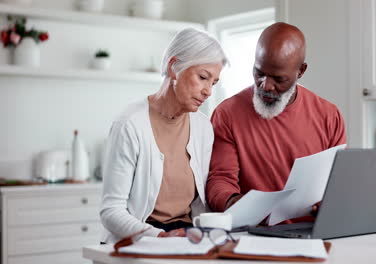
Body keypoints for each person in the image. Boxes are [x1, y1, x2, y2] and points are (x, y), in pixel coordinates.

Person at [206, 22, 346, 221]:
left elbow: (337, 183)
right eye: (259, 73)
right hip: (253, 232)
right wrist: (233, 204)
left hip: (311, 233)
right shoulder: (227, 113)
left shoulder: (329, 116)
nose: (266, 86)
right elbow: (220, 178)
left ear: (301, 71)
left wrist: (332, 203)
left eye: (279, 79)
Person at [100, 28, 228, 244]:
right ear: (174, 67)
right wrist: (159, 236)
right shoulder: (130, 124)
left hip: (186, 239)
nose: (208, 91)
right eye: (203, 77)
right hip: (138, 240)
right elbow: (111, 211)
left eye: (213, 83)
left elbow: (201, 203)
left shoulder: (203, 127)